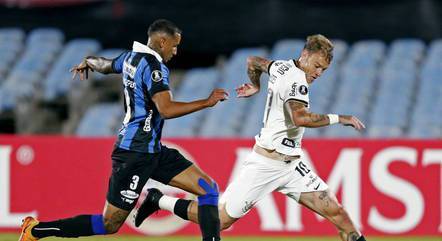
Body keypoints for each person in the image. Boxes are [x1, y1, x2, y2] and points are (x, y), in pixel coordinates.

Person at [134, 34, 368, 241]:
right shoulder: (297, 83)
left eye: (323, 70)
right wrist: (341, 118)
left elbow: (253, 62)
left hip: (292, 165)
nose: (318, 73)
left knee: (337, 213)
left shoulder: (282, 67)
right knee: (221, 219)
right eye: (317, 66)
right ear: (305, 54)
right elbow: (300, 118)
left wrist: (256, 85)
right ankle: (158, 200)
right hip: (266, 165)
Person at [18, 19, 227, 241]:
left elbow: (106, 65)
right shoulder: (154, 67)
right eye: (174, 46)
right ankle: (36, 230)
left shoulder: (130, 58)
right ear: (162, 41)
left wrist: (88, 61)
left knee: (208, 188)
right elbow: (165, 109)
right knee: (109, 224)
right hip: (134, 154)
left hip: (153, 151)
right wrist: (206, 102)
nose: (175, 51)